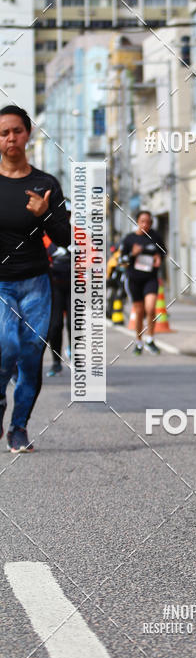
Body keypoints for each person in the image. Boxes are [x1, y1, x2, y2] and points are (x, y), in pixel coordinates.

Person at [0, 104, 70, 452]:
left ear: (28, 134)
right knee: (7, 346)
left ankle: (19, 427)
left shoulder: (45, 184)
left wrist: (45, 215)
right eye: (3, 133)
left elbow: (65, 238)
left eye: (16, 130)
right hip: (0, 284)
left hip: (37, 284)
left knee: (30, 356)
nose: (10, 138)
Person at [120, 210, 166, 355]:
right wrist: (132, 254)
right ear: (137, 222)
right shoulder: (129, 239)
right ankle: (139, 342)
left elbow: (163, 253)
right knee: (139, 311)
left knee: (151, 309)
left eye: (148, 222)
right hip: (134, 279)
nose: (145, 224)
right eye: (142, 221)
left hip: (150, 278)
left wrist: (159, 258)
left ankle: (150, 340)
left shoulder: (155, 237)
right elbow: (122, 261)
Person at [45, 201, 72, 376]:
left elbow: (93, 257)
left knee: (74, 324)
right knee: (54, 326)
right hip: (53, 287)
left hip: (75, 288)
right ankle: (56, 362)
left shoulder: (80, 235)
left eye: (67, 215)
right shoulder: (45, 237)